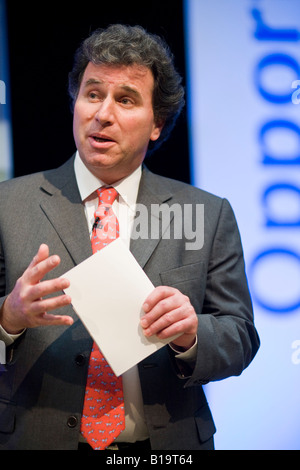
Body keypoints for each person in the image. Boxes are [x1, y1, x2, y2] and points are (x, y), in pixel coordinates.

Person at [0, 24, 259, 451]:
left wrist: (191, 334)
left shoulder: (207, 213)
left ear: (156, 123)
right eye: (93, 94)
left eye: (125, 100)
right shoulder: (8, 205)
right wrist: (8, 318)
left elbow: (241, 337)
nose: (102, 113)